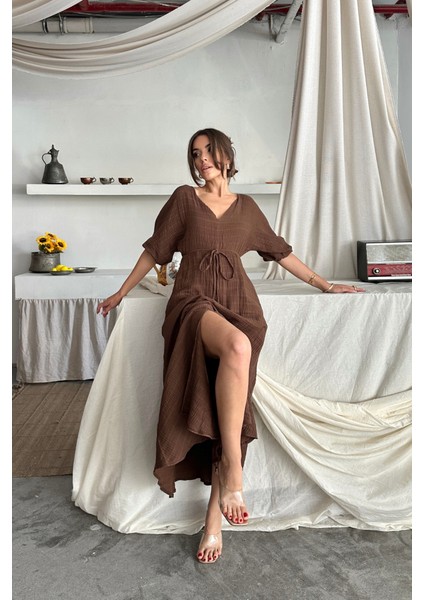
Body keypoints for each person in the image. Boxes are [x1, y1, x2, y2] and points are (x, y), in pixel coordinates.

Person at [97, 128, 365, 564]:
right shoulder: (184, 199)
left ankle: (213, 521)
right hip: (193, 302)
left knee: (228, 402)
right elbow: (155, 251)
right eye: (194, 153)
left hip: (241, 305)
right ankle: (236, 471)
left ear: (225, 154)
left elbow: (281, 253)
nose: (201, 158)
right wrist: (120, 292)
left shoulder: (248, 208)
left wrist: (326, 284)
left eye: (208, 150)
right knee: (237, 348)